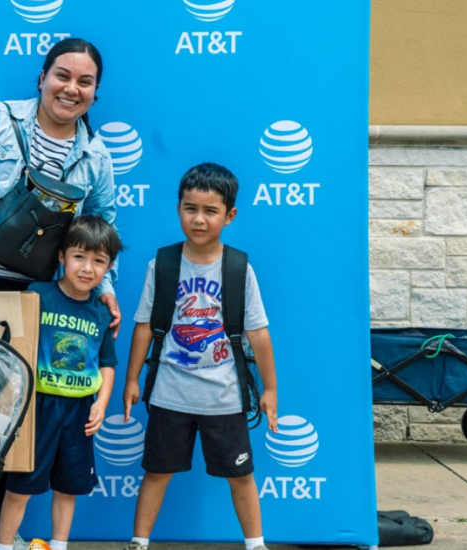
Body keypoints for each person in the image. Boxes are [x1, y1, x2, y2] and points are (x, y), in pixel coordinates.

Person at [0, 38, 120, 550]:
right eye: (62, 75)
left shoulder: (96, 157)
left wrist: (103, 286)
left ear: (96, 94)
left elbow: (101, 227)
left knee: (13, 418)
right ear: (41, 77)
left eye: (84, 82)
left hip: (33, 296)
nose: (71, 88)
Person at [121, 163, 280, 550]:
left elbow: (258, 332)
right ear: (178, 209)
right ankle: (138, 543)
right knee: (156, 472)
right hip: (169, 393)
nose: (199, 219)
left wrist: (270, 388)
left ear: (230, 216)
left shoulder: (239, 268)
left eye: (211, 211)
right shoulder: (163, 264)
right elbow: (144, 325)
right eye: (190, 208)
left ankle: (256, 544)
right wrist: (130, 380)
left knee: (241, 475)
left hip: (224, 396)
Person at [0, 215, 121, 550]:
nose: (87, 268)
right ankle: (4, 544)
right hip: (37, 407)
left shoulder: (100, 313)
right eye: (79, 256)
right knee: (20, 487)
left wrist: (101, 402)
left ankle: (60, 544)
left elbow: (107, 364)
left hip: (79, 412)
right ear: (62, 256)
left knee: (69, 488)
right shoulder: (37, 295)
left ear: (109, 267)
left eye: (99, 261)